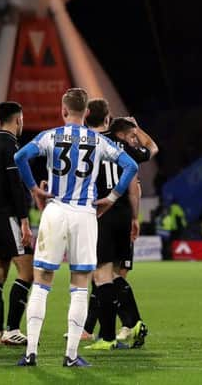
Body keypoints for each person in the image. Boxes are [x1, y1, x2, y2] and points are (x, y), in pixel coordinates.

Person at [13, 88, 138, 367]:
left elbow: (20, 157)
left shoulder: (50, 136)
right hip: (85, 213)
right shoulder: (99, 141)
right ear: (87, 113)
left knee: (43, 281)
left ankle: (31, 352)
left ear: (63, 110)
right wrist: (113, 197)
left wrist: (34, 188)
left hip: (55, 210)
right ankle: (70, 355)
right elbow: (130, 166)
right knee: (80, 283)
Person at [82, 101, 157, 350]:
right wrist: (136, 127)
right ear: (108, 119)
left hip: (100, 211)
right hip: (123, 212)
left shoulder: (85, 143)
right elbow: (151, 150)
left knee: (101, 275)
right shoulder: (122, 144)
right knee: (114, 274)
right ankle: (128, 325)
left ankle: (111, 335)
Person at [0, 101, 33, 346]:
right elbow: (14, 185)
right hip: (9, 216)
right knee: (27, 272)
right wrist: (24, 221)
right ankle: (12, 329)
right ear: (18, 119)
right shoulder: (10, 145)